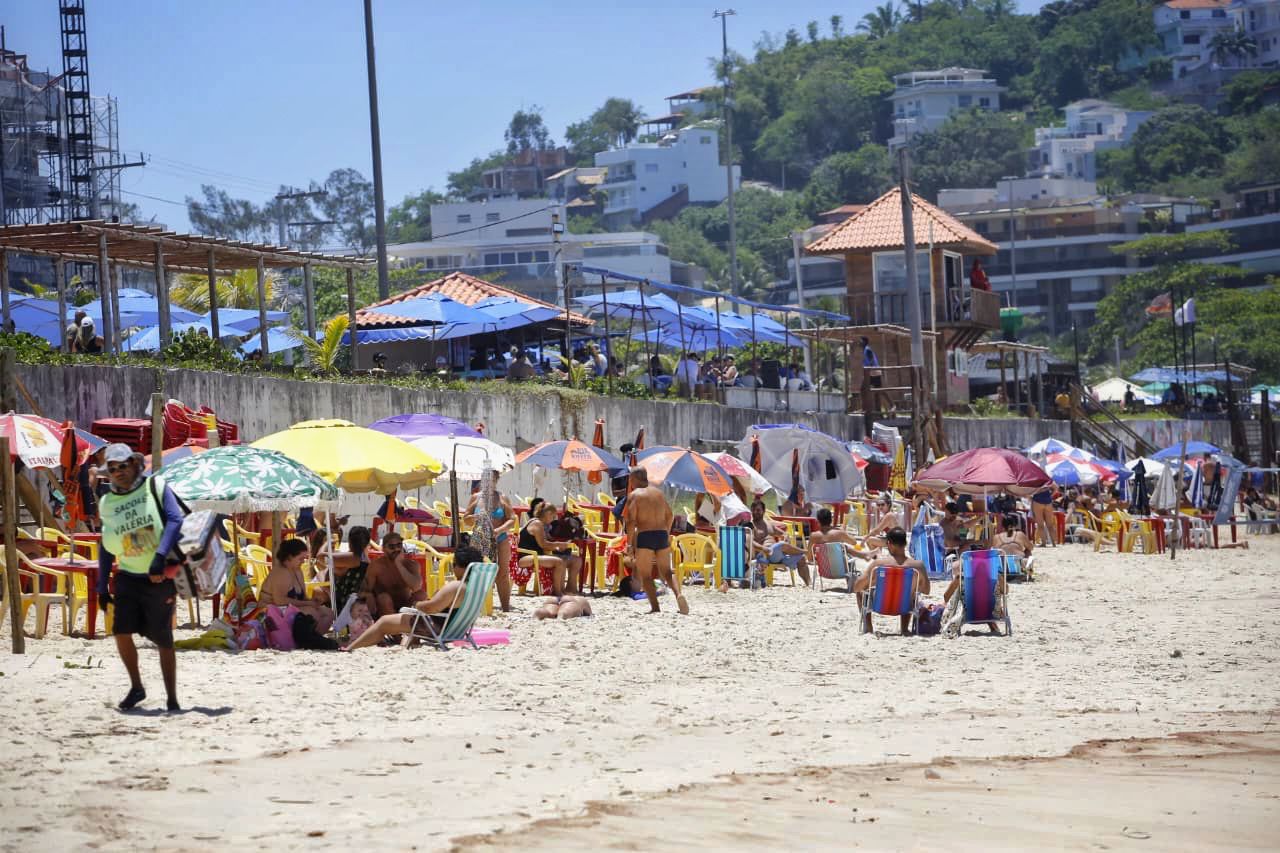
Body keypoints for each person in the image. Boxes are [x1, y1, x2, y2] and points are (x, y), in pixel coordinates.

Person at [95, 443, 185, 712]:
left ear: (135, 464)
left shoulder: (155, 487)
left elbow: (174, 519)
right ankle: (137, 687)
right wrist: (102, 587)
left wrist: (159, 557)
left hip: (159, 578)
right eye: (112, 469)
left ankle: (172, 698)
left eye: (123, 466)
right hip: (127, 577)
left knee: (163, 638)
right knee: (120, 631)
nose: (118, 472)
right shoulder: (107, 502)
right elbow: (105, 544)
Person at [344, 546, 480, 650]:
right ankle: (408, 646)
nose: (453, 567)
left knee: (384, 622)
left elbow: (431, 608)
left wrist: (417, 604)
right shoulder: (476, 587)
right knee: (408, 619)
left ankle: (351, 648)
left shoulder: (456, 586)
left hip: (436, 628)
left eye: (454, 564)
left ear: (464, 567)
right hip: (456, 629)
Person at [622, 466, 688, 614]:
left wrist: (629, 543)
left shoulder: (634, 495)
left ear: (633, 479)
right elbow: (670, 515)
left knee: (645, 575)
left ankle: (655, 607)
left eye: (630, 479)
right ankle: (679, 594)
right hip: (662, 535)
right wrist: (667, 533)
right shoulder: (658, 494)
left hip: (645, 535)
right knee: (667, 571)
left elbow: (631, 521)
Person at [851, 527, 928, 634]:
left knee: (861, 592)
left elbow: (856, 587)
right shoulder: (918, 566)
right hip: (905, 607)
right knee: (911, 594)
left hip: (880, 606)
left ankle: (868, 628)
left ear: (889, 544)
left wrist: (872, 582)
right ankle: (904, 629)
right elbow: (926, 590)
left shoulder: (878, 564)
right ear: (905, 543)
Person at [259, 538, 335, 633]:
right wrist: (308, 603)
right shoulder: (281, 572)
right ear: (290, 557)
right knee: (311, 612)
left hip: (287, 608)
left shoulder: (297, 571)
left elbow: (302, 597)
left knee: (329, 613)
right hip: (270, 610)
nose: (303, 561)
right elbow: (279, 601)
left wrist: (313, 601)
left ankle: (314, 640)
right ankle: (309, 640)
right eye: (301, 558)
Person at [465, 471, 516, 611]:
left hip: (500, 538)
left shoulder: (502, 498)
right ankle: (477, 606)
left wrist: (500, 530)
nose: (488, 482)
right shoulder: (476, 497)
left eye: (492, 480)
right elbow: (465, 519)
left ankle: (505, 607)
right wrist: (475, 517)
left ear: (496, 481)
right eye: (486, 480)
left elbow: (512, 518)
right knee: (478, 571)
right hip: (480, 538)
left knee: (503, 573)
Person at [517, 499, 581, 596]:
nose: (553, 519)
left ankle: (570, 589)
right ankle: (558, 592)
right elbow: (544, 544)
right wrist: (559, 545)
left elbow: (549, 542)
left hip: (537, 555)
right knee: (559, 562)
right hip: (527, 557)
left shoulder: (542, 525)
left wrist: (558, 546)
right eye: (553, 516)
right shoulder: (536, 524)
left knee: (576, 560)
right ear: (548, 513)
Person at [747, 499, 811, 588]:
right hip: (764, 555)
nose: (755, 512)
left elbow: (784, 533)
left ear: (763, 511)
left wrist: (786, 537)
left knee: (802, 559)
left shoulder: (769, 524)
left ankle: (809, 584)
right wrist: (763, 548)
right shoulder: (751, 525)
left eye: (758, 510)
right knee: (781, 545)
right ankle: (805, 551)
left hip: (778, 555)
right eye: (753, 510)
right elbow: (750, 541)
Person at [366, 532, 427, 616]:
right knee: (384, 598)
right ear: (383, 549)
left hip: (405, 607)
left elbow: (416, 587)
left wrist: (399, 564)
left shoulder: (411, 565)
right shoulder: (376, 566)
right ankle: (390, 626)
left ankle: (409, 624)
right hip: (384, 608)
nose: (396, 549)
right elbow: (366, 590)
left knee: (421, 594)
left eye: (399, 545)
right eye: (391, 546)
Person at [328, 526, 373, 613]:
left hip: (346, 601)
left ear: (349, 542)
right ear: (367, 543)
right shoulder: (365, 558)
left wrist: (327, 542)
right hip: (354, 599)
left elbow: (321, 557)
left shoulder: (353, 558)